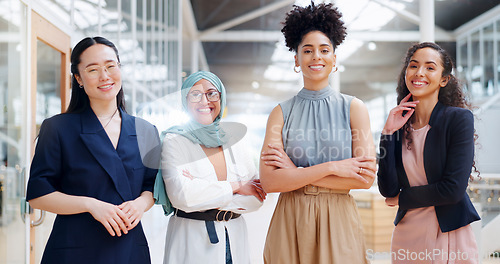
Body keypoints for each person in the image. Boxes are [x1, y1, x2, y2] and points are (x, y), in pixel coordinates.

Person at [26, 36, 160, 264]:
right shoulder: (58, 128)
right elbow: (38, 195)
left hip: (130, 249)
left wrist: (140, 205)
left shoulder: (146, 131)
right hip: (75, 250)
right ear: (78, 78)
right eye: (93, 69)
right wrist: (91, 205)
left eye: (110, 66)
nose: (105, 76)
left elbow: (152, 186)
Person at [259, 3, 376, 264]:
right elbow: (270, 182)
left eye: (325, 50)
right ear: (296, 59)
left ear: (335, 59)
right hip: (290, 219)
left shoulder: (354, 108)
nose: (316, 57)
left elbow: (364, 179)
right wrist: (333, 167)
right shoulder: (280, 113)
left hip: (338, 218)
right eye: (308, 50)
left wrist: (295, 173)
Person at [377, 42, 480, 263]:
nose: (419, 73)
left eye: (430, 67)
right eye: (413, 66)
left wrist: (402, 198)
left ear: (444, 80)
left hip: (448, 231)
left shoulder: (458, 119)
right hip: (407, 234)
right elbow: (388, 189)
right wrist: (387, 134)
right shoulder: (398, 124)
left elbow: (453, 189)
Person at [158, 71, 266, 264]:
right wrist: (236, 186)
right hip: (192, 240)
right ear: (185, 100)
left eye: (211, 93)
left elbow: (256, 197)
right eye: (195, 94)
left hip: (234, 236)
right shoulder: (174, 140)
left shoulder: (234, 140)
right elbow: (182, 196)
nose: (204, 101)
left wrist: (203, 192)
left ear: (221, 98)